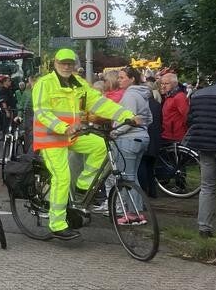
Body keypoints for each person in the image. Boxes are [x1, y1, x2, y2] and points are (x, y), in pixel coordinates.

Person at [31, 49, 136, 240]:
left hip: (73, 135)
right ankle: (57, 223)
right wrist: (63, 127)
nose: (66, 66)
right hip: (51, 138)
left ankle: (83, 185)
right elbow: (41, 112)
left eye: (70, 63)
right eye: (63, 63)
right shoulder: (44, 84)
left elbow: (99, 103)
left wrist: (126, 116)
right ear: (55, 63)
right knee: (62, 178)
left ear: (74, 64)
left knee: (101, 146)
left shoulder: (79, 84)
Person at [185, 63, 216, 241]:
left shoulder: (198, 95)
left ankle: (204, 228)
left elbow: (191, 120)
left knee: (207, 187)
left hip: (203, 145)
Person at [112, 67, 154, 218]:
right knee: (133, 176)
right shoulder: (142, 95)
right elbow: (149, 119)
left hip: (128, 139)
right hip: (141, 137)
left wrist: (115, 132)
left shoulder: (130, 96)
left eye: (122, 77)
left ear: (132, 79)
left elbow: (128, 120)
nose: (119, 80)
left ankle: (133, 213)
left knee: (127, 177)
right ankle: (137, 209)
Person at [159, 72, 189, 145]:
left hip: (176, 137)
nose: (163, 86)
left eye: (166, 84)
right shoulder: (169, 96)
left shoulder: (179, 97)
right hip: (167, 135)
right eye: (162, 83)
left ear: (175, 84)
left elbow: (187, 116)